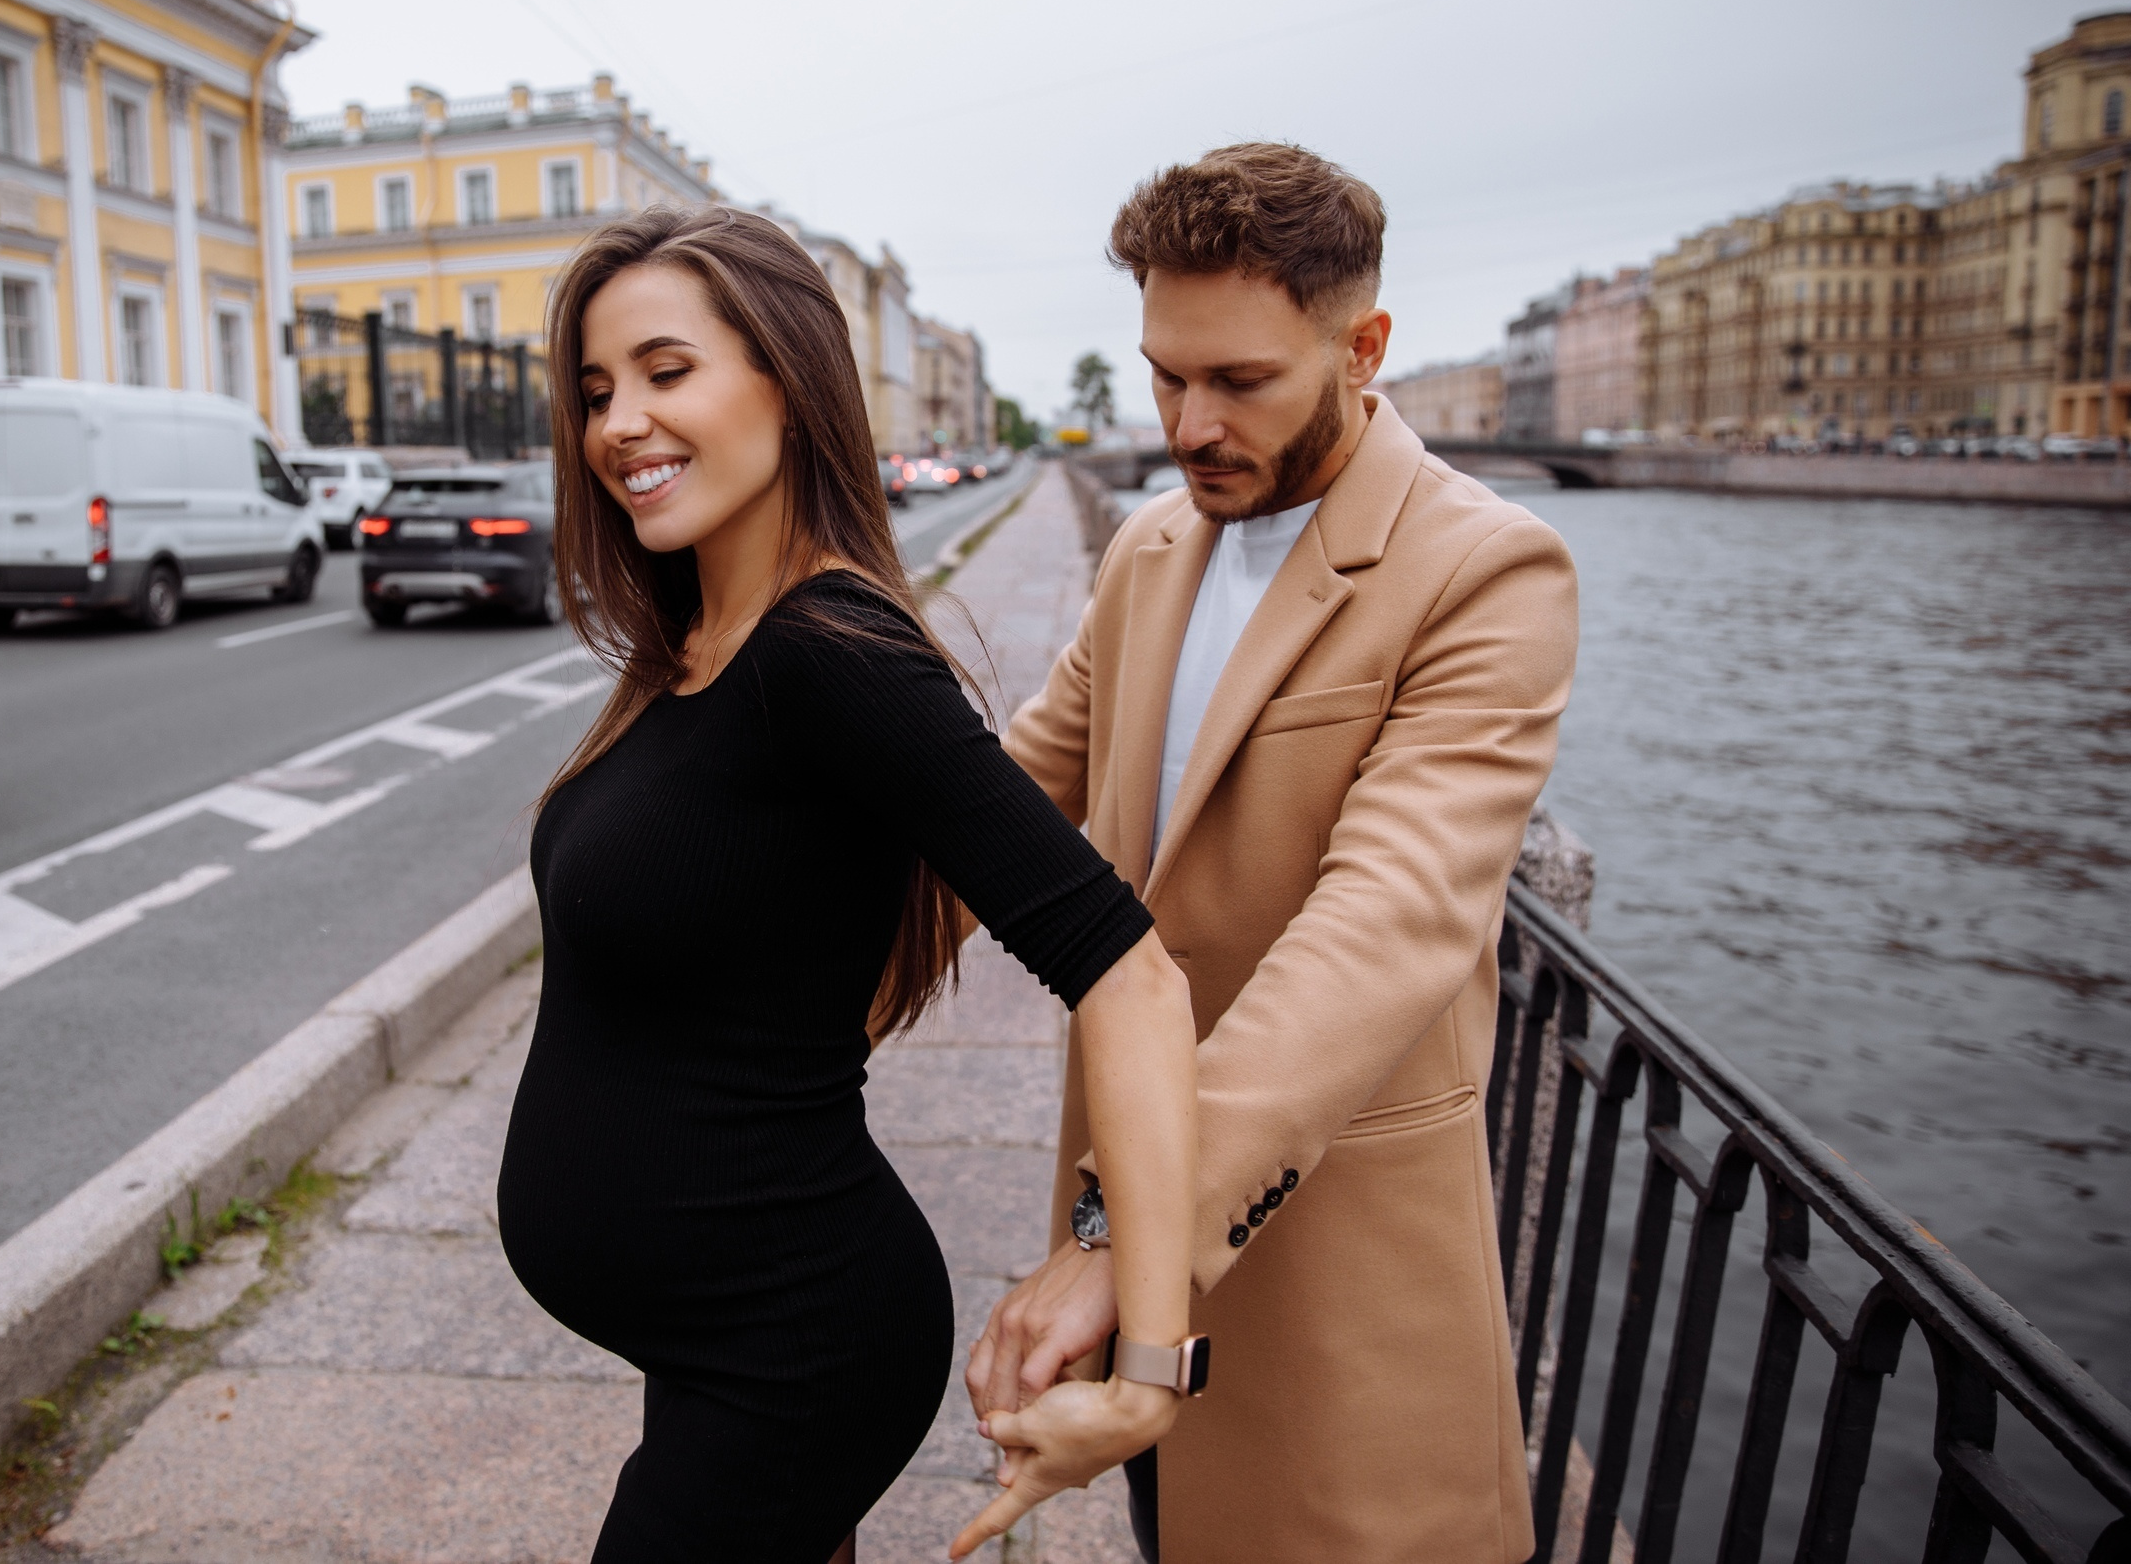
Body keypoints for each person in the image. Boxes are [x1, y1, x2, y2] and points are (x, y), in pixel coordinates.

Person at [495, 203, 1207, 1564]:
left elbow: (1130, 972)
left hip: (795, 1346)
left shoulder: (835, 658)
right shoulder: (701, 642)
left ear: (787, 377)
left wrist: (1151, 1365)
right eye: (595, 393)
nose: (619, 424)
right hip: (716, 1329)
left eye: (665, 370)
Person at [965, 143, 1580, 1563]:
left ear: (1363, 348)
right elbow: (1007, 802)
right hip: (1127, 1226)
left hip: (1332, 1251)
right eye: (1164, 375)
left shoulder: (1487, 566)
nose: (1188, 422)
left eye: (1239, 382)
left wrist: (1127, 1232)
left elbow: (1388, 923)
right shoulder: (1151, 547)